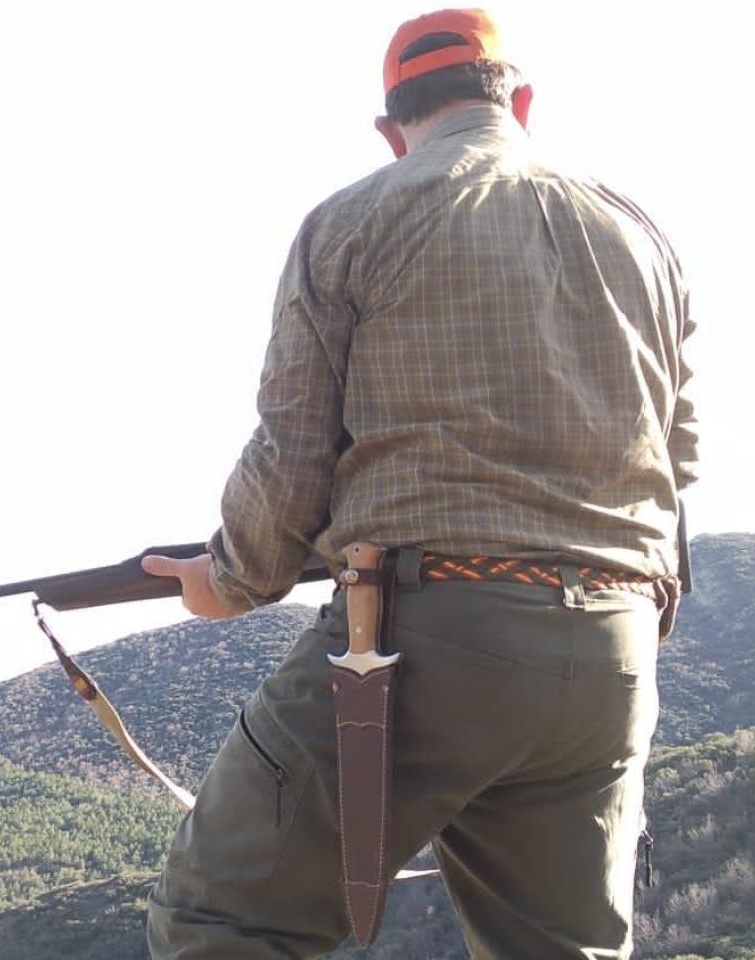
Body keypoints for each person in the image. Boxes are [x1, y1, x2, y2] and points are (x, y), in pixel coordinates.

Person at [140, 8, 698, 958]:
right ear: (518, 101)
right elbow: (673, 464)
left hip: (426, 639)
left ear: (390, 127)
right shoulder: (639, 231)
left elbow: (292, 453)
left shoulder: (356, 216)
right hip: (615, 652)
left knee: (222, 921)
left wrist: (228, 581)